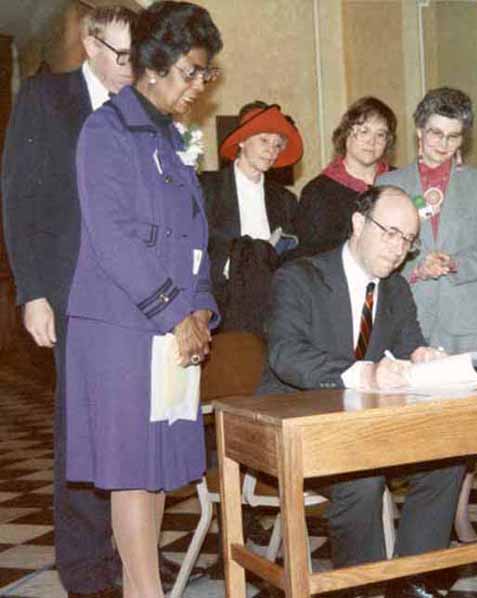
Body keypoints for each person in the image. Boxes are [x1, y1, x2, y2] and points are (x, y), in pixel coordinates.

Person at [65, 2, 222, 596]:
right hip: (123, 328)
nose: (199, 85)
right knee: (132, 471)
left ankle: (140, 591)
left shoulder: (172, 137)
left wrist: (202, 304)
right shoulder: (106, 131)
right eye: (191, 71)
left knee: (156, 472)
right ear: (152, 67)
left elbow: (196, 237)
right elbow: (113, 236)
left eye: (205, 74)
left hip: (173, 326)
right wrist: (174, 310)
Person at [258, 185, 464, 598]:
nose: (398, 248)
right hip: (299, 424)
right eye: (390, 233)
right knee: (362, 480)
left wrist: (424, 357)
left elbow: (408, 345)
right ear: (357, 224)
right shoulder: (300, 277)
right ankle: (362, 589)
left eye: (408, 240)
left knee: (448, 457)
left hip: (367, 427)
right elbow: (286, 354)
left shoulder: (397, 289)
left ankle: (412, 581)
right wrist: (363, 373)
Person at [1, 7, 136, 597]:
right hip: (70, 292)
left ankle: (132, 556)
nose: (134, 69)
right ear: (88, 43)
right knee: (81, 431)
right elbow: (19, 198)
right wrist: (32, 291)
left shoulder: (141, 108)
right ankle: (86, 571)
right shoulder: (45, 98)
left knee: (129, 429)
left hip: (133, 298)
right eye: (123, 56)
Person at [378, 87, 477, 543]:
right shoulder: (390, 183)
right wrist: (416, 266)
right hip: (410, 318)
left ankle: (459, 513)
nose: (443, 144)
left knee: (468, 432)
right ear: (418, 131)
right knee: (411, 428)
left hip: (467, 318)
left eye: (454, 136)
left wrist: (455, 263)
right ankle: (417, 522)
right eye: (436, 133)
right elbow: (376, 253)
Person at [202, 101, 302, 335]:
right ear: (242, 140)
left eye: (277, 145)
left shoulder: (285, 200)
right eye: (264, 140)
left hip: (270, 310)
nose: (271, 150)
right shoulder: (208, 188)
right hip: (220, 309)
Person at [290, 96, 396, 258]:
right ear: (346, 134)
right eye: (364, 131)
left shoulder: (399, 183)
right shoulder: (318, 192)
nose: (372, 141)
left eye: (380, 135)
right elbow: (308, 259)